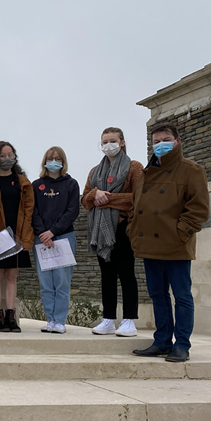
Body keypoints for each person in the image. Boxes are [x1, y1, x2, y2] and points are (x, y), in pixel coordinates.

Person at [129, 123, 209, 362]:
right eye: (155, 141)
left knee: (182, 296)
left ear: (177, 140)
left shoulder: (191, 170)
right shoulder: (146, 172)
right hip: (149, 246)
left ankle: (182, 345)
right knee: (157, 295)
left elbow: (199, 210)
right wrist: (134, 231)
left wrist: (179, 233)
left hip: (176, 246)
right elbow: (136, 207)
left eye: (165, 139)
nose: (160, 144)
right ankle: (162, 341)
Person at [81, 127, 143, 337]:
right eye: (104, 142)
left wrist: (104, 199)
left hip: (124, 228)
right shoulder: (94, 171)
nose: (108, 145)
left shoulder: (134, 167)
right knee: (106, 276)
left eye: (113, 141)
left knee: (126, 274)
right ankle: (108, 319)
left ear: (122, 142)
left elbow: (137, 198)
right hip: (101, 231)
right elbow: (85, 200)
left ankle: (129, 320)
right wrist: (94, 194)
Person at [0, 141, 34, 332]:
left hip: (17, 235)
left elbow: (29, 210)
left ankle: (11, 315)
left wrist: (25, 236)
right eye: (2, 156)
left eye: (10, 155)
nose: (7, 159)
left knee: (12, 275)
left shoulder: (23, 182)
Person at [31, 147, 80, 334]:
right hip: (41, 239)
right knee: (46, 282)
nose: (54, 161)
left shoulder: (71, 184)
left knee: (62, 281)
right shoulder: (37, 185)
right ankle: (49, 319)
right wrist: (43, 232)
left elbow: (72, 211)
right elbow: (33, 211)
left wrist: (53, 231)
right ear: (45, 161)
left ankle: (60, 320)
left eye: (58, 158)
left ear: (63, 161)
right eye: (50, 158)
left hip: (64, 237)